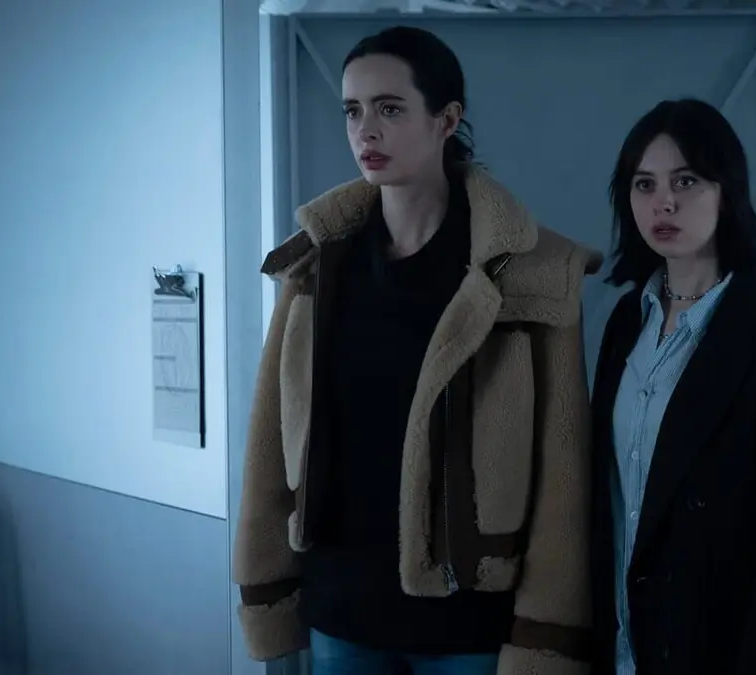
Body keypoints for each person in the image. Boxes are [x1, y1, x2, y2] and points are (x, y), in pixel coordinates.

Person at [232, 25, 599, 675]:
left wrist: (546, 632)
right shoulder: (320, 265)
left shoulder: (531, 270)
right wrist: (267, 587)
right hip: (341, 608)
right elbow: (271, 439)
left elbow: (561, 470)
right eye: (353, 110)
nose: (366, 131)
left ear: (446, 120)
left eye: (390, 108)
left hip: (469, 623)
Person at [589, 99, 756, 675]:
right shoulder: (628, 321)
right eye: (645, 184)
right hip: (628, 639)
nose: (664, 202)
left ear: (726, 192)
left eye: (686, 181)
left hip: (724, 644)